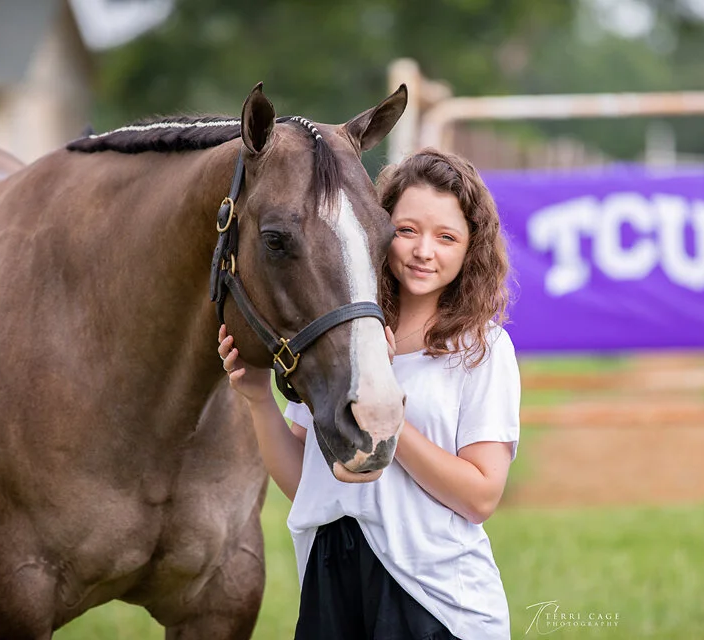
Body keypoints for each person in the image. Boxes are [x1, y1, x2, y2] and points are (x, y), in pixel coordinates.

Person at [217, 148, 520, 640]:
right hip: (331, 580)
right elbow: (306, 483)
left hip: (435, 599)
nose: (424, 250)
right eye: (407, 230)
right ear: (376, 229)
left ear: (471, 249)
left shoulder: (481, 349)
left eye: (446, 237)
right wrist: (258, 399)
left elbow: (481, 496)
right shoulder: (339, 336)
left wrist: (387, 414)